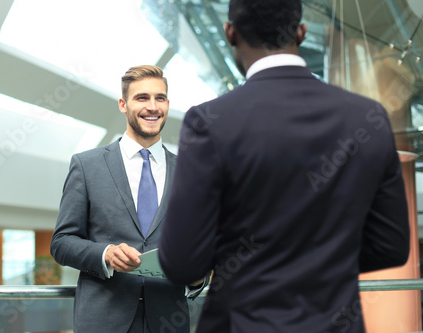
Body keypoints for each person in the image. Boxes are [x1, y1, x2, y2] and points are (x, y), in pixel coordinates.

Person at [158, 1, 410, 332]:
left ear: (230, 32)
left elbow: (181, 262)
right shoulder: (368, 118)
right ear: (302, 33)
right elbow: (391, 247)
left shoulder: (210, 123)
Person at [51, 65, 206, 333]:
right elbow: (62, 243)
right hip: (103, 320)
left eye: (160, 98)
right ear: (123, 105)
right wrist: (106, 254)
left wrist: (196, 278)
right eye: (142, 98)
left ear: (168, 104)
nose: (152, 107)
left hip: (169, 321)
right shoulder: (87, 166)